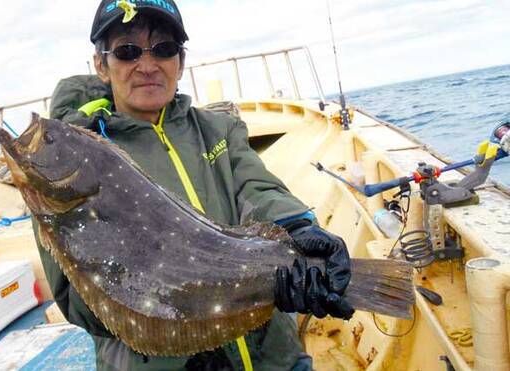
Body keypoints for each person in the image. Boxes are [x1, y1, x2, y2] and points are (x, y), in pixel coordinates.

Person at [35, 0, 354, 369]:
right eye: (127, 51)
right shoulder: (82, 156)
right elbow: (77, 299)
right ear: (100, 65)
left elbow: (255, 188)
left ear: (181, 62)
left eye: (164, 49)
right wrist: (180, 323)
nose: (147, 65)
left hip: (274, 356)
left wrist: (296, 228)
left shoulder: (218, 130)